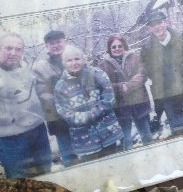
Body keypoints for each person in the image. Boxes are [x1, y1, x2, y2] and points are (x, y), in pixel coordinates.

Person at [140, 10, 183, 138]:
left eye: (159, 23)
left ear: (166, 22)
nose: (157, 27)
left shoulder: (181, 37)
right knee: (177, 130)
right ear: (149, 28)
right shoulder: (146, 48)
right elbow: (148, 71)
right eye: (153, 25)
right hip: (168, 96)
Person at [54, 45, 123, 162]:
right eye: (69, 60)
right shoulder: (60, 86)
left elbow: (109, 97)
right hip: (85, 139)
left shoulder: (97, 73)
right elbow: (65, 113)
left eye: (77, 59)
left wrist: (95, 112)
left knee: (115, 164)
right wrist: (88, 116)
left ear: (83, 59)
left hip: (108, 131)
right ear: (64, 63)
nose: (74, 63)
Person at [0, 33, 52, 178]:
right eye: (8, 48)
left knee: (45, 173)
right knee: (20, 181)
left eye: (18, 49)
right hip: (12, 139)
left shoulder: (25, 68)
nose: (13, 53)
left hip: (38, 130)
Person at [97, 34, 153, 151]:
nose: (117, 49)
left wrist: (128, 86)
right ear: (109, 48)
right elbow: (103, 84)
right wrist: (120, 87)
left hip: (139, 103)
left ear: (124, 46)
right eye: (114, 47)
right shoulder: (103, 65)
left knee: (147, 136)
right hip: (120, 107)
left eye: (120, 46)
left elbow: (142, 75)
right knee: (126, 140)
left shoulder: (135, 58)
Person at [32, 30, 76, 167]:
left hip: (82, 115)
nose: (56, 46)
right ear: (47, 46)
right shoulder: (40, 68)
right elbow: (42, 94)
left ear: (65, 42)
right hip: (58, 119)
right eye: (52, 43)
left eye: (58, 42)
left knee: (88, 150)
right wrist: (65, 103)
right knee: (68, 154)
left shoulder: (76, 59)